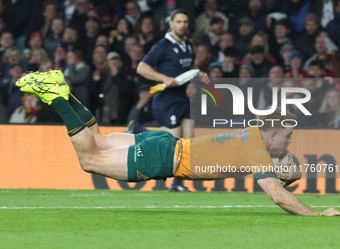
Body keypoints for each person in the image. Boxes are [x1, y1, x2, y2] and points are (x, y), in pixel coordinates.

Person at [15, 70, 340, 216]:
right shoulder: (257, 151)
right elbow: (278, 196)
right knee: (90, 160)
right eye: (286, 138)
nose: (287, 144)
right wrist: (314, 214)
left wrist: (284, 159)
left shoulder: (252, 131)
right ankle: (58, 99)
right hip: (162, 156)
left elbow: (276, 152)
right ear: (272, 135)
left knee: (97, 140)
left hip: (166, 141)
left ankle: (62, 88)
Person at [136, 9, 208, 192]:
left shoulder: (188, 45)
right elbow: (141, 68)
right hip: (167, 99)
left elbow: (189, 67)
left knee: (188, 141)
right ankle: (138, 130)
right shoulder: (163, 46)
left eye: (185, 22)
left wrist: (199, 74)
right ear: (171, 24)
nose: (183, 25)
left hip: (183, 98)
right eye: (179, 22)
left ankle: (178, 183)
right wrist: (164, 78)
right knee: (171, 143)